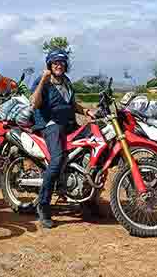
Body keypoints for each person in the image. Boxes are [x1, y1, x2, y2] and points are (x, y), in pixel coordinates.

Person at [30, 50, 95, 229]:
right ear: (49, 64)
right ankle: (43, 205)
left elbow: (71, 104)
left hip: (68, 123)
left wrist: (88, 112)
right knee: (57, 159)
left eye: (62, 62)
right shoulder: (43, 81)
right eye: (55, 62)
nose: (59, 65)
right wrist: (43, 80)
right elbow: (34, 103)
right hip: (50, 125)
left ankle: (87, 199)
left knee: (89, 150)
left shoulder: (66, 81)